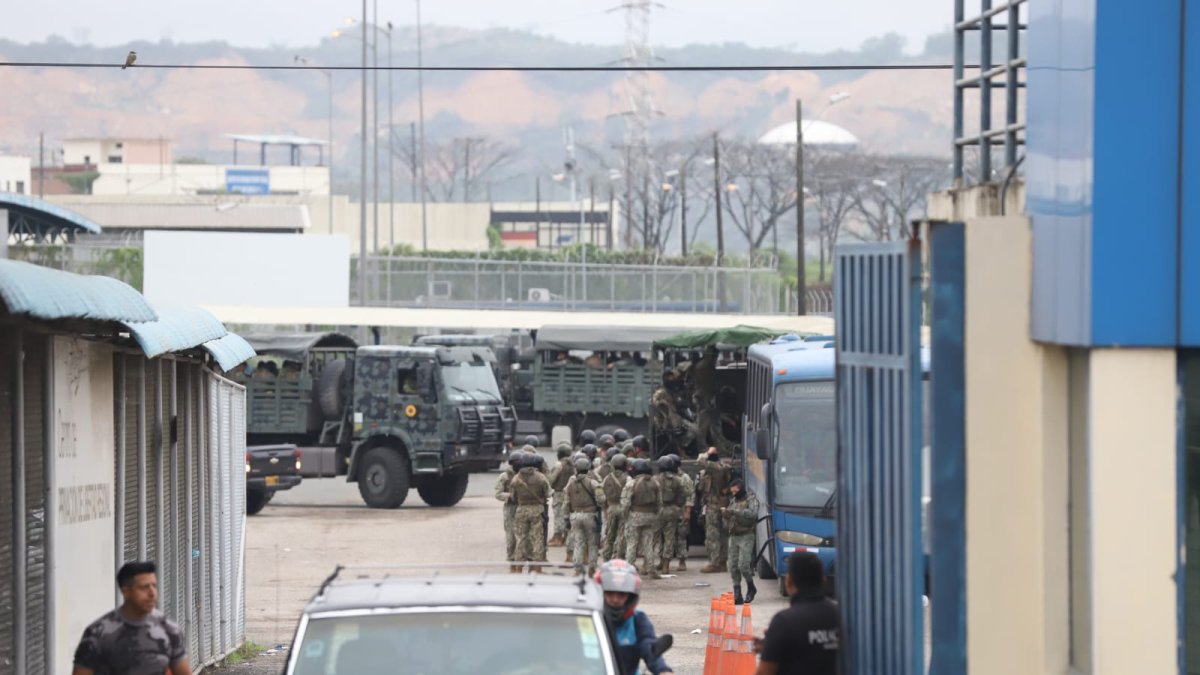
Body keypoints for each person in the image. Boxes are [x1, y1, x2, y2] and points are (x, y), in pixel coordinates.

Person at [73, 560, 191, 675]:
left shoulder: (169, 629)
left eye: (154, 586)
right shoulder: (98, 633)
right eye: (144, 587)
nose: (152, 593)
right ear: (125, 591)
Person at [755, 552, 839, 675]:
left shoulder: (784, 622)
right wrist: (771, 647)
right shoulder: (839, 615)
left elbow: (764, 672)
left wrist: (771, 648)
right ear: (823, 580)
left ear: (788, 581)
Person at [595, 560, 674, 675]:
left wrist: (663, 670)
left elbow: (648, 646)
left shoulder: (638, 619)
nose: (615, 599)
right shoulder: (590, 618)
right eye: (610, 593)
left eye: (622, 594)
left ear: (631, 596)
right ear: (601, 592)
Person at [622, 458, 663, 579]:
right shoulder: (655, 483)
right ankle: (651, 569)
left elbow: (625, 503)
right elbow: (659, 503)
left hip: (635, 515)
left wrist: (626, 516)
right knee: (648, 544)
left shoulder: (631, 483)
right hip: (650, 516)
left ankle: (628, 569)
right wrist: (656, 516)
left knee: (632, 544)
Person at [564, 456, 605, 575]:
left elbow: (566, 502)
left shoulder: (570, 484)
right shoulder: (593, 482)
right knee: (592, 544)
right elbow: (601, 499)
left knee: (578, 543)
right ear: (588, 468)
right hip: (590, 515)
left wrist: (566, 517)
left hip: (575, 516)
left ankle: (577, 570)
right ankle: (592, 568)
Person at [511, 454, 551, 572]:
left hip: (521, 509)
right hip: (537, 510)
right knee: (537, 538)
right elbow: (548, 493)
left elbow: (513, 497)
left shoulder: (516, 478)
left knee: (520, 538)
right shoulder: (541, 477)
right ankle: (536, 568)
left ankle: (518, 567)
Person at [724, 476, 760, 604]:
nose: (733, 494)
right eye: (732, 492)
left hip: (746, 535)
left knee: (744, 565)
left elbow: (753, 514)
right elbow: (730, 516)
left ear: (740, 489)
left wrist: (736, 512)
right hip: (734, 536)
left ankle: (751, 588)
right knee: (733, 566)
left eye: (735, 491)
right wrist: (727, 515)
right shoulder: (733, 501)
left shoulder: (751, 499)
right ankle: (737, 593)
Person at [698, 448, 732, 573]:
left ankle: (714, 562)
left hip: (713, 505)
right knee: (723, 534)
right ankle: (723, 561)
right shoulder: (724, 466)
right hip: (723, 504)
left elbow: (700, 459)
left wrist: (707, 452)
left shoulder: (713, 467)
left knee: (712, 534)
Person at [653, 455, 688, 574]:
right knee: (669, 538)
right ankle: (666, 566)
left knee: (654, 537)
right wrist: (676, 505)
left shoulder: (654, 479)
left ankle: (648, 563)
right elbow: (682, 496)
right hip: (672, 510)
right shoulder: (677, 480)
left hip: (657, 511)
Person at [495, 451, 524, 571]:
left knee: (522, 536)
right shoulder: (504, 477)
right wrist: (510, 496)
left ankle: (520, 560)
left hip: (523, 507)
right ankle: (512, 561)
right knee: (511, 536)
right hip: (510, 508)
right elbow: (498, 494)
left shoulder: (525, 474)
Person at [601, 453, 631, 561]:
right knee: (621, 535)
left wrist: (605, 509)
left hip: (611, 508)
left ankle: (606, 559)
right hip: (623, 508)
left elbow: (602, 496)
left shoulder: (606, 479)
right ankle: (619, 558)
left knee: (609, 535)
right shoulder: (628, 478)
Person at [547, 442, 575, 547]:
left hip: (559, 493)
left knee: (559, 515)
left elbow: (550, 479)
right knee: (567, 515)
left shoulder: (559, 465)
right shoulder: (573, 464)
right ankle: (566, 536)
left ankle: (557, 537)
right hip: (570, 494)